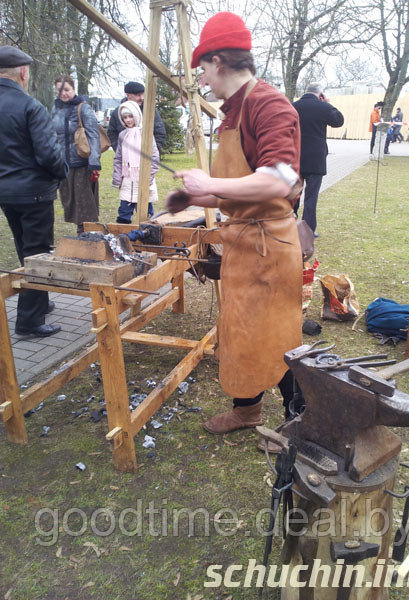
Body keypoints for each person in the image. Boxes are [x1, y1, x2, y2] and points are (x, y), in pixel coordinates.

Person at [165, 12, 304, 438]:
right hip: (244, 244)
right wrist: (195, 196)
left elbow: (280, 178)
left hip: (269, 248)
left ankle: (302, 419)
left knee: (275, 340)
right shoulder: (233, 111)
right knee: (240, 333)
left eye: (203, 68)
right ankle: (246, 412)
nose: (201, 77)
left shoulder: (267, 103)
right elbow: (240, 190)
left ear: (220, 60)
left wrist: (211, 182)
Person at [0, 45, 68, 337]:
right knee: (37, 253)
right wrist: (62, 171)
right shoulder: (30, 106)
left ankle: (38, 299)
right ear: (23, 73)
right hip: (34, 194)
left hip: (6, 193)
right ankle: (29, 322)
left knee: (23, 248)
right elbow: (48, 155)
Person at [52, 75, 101, 235]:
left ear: (73, 89)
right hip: (63, 164)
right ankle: (82, 230)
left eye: (66, 89)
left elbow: (94, 136)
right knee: (69, 200)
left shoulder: (83, 108)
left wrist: (94, 163)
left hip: (82, 163)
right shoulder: (55, 109)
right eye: (60, 90)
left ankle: (85, 233)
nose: (63, 93)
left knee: (84, 202)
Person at [292, 83, 344, 235]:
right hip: (316, 160)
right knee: (311, 197)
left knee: (294, 195)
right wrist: (328, 103)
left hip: (296, 158)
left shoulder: (292, 107)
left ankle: (290, 225)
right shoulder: (324, 108)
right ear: (320, 94)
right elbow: (339, 120)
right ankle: (307, 230)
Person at [108, 81, 166, 209]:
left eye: (143, 94)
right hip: (127, 168)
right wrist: (122, 152)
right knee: (127, 197)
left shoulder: (149, 110)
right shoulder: (117, 113)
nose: (142, 98)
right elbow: (112, 133)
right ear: (128, 95)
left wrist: (150, 152)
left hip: (144, 164)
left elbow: (160, 132)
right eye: (138, 95)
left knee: (146, 200)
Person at [112, 101, 160, 223]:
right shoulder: (123, 135)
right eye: (125, 117)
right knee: (124, 211)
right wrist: (118, 178)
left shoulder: (146, 134)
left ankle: (147, 236)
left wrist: (147, 178)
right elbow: (118, 158)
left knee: (146, 213)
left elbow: (154, 158)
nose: (128, 120)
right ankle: (122, 236)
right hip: (128, 179)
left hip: (144, 179)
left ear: (137, 116)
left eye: (130, 116)